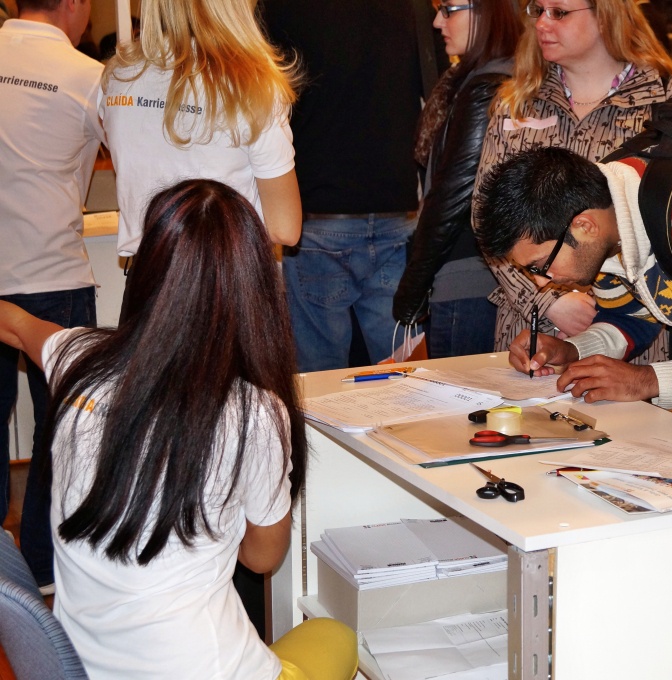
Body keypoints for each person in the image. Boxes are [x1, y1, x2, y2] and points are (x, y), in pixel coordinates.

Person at [0, 179, 358, 680]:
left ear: (147, 268)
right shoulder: (255, 413)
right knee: (337, 636)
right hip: (210, 669)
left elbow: (16, 325)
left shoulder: (77, 357)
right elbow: (262, 559)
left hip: (81, 666)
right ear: (252, 287)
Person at [473, 0, 672, 364]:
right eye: (538, 10)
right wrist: (546, 299)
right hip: (532, 323)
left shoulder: (669, 100)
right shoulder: (517, 101)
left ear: (605, 15)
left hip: (638, 326)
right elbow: (489, 220)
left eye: (559, 12)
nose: (542, 24)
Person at [474, 146, 672, 407]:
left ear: (584, 226)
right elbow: (631, 317)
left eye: (541, 265)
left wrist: (646, 381)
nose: (541, 282)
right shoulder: (606, 207)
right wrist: (571, 350)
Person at [263, 0, 446, 371]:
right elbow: (441, 93)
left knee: (319, 381)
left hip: (316, 217)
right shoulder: (412, 8)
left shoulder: (280, 8)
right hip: (396, 209)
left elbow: (259, 101)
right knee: (403, 375)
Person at [0, 0, 104, 591]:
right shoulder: (86, 76)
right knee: (61, 435)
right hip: (54, 275)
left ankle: (3, 575)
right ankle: (42, 572)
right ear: (74, 4)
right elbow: (88, 176)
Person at [100, 0, 302, 260]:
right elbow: (284, 228)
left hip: (147, 273)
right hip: (222, 272)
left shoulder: (118, 77)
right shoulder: (252, 84)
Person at [391, 0, 522, 358]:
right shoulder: (508, 76)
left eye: (449, 9)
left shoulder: (486, 86)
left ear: (488, 11)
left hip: (468, 281)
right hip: (489, 277)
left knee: (458, 394)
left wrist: (413, 287)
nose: (437, 22)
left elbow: (452, 195)